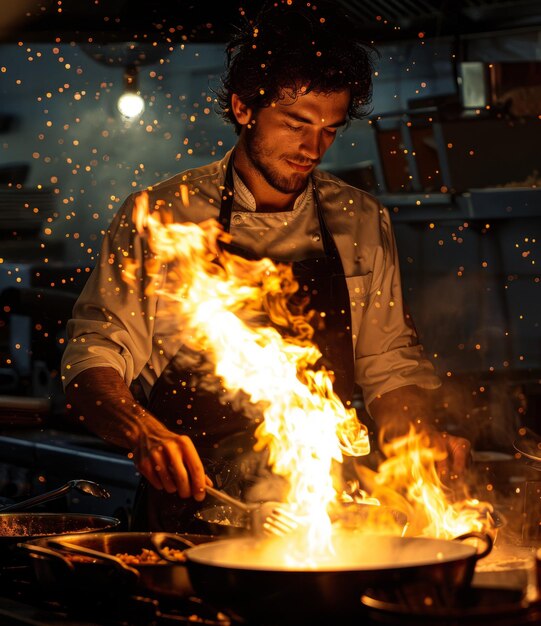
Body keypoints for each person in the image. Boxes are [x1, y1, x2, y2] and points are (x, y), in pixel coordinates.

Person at [61, 0, 471, 532]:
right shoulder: (163, 217)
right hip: (198, 510)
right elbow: (91, 359)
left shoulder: (359, 219)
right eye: (296, 123)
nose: (312, 148)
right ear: (243, 107)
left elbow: (389, 363)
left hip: (317, 503)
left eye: (330, 129)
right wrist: (143, 430)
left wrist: (415, 434)